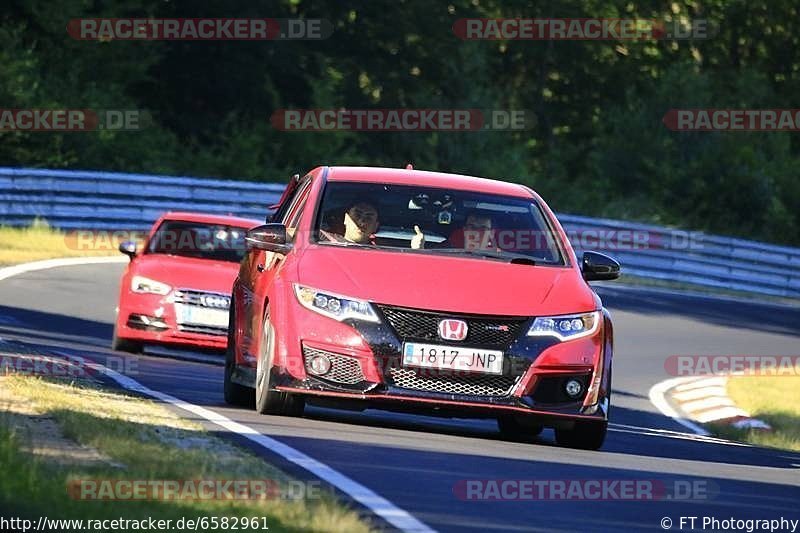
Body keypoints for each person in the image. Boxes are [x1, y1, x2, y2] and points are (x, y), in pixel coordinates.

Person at [322, 202, 424, 249]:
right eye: (357, 214)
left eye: (369, 217)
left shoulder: (384, 252)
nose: (362, 221)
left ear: (375, 226)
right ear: (346, 219)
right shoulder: (322, 240)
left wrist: (418, 251)